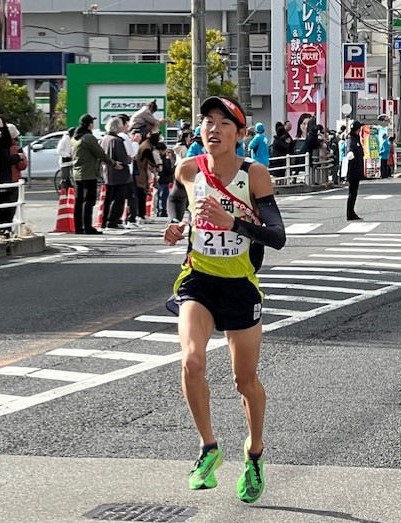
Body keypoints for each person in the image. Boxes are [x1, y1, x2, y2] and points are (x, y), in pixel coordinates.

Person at [163, 96, 286, 504]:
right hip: (197, 279)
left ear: (239, 133)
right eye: (208, 121)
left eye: (224, 123)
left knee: (244, 380)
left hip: (239, 285)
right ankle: (208, 448)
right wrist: (178, 226)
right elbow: (184, 209)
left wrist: (232, 222)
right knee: (191, 361)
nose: (213, 128)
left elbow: (278, 237)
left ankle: (254, 454)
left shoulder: (255, 175)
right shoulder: (187, 169)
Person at [72, 113, 122, 235]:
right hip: (89, 173)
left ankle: (79, 227)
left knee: (79, 201)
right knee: (89, 201)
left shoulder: (75, 138)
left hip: (78, 173)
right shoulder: (88, 137)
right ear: (89, 124)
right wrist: (114, 164)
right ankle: (87, 227)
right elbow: (100, 153)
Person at [100, 117, 133, 229]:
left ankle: (105, 220)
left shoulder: (105, 138)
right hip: (119, 174)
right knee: (118, 199)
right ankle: (113, 220)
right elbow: (124, 158)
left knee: (108, 198)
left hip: (107, 173)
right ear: (117, 126)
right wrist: (129, 158)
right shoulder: (117, 141)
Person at [344, 120, 364, 220]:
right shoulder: (351, 139)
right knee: (352, 193)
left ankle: (351, 212)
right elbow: (349, 149)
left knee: (354, 192)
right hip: (352, 170)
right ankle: (350, 213)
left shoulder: (356, 139)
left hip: (356, 170)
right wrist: (350, 153)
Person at [155, 142, 174, 217]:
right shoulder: (164, 160)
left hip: (162, 179)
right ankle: (162, 210)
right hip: (164, 180)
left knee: (161, 195)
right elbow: (168, 170)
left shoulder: (159, 159)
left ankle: (160, 210)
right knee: (163, 196)